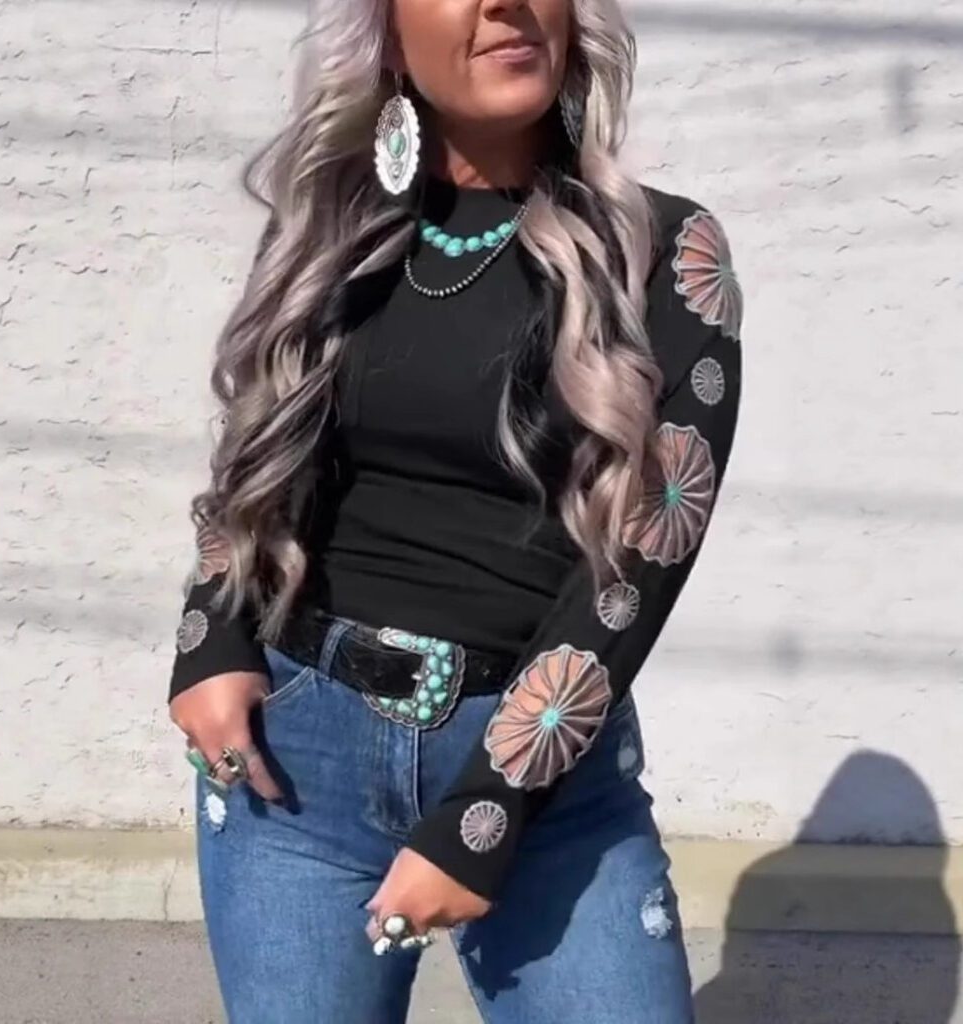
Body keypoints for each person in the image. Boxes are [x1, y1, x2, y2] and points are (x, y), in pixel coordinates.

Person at [166, 0, 743, 1021]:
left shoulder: (665, 248)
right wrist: (209, 641)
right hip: (298, 770)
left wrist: (488, 808)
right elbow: (257, 458)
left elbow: (646, 557)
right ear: (388, 35)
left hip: (550, 789)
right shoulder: (327, 226)